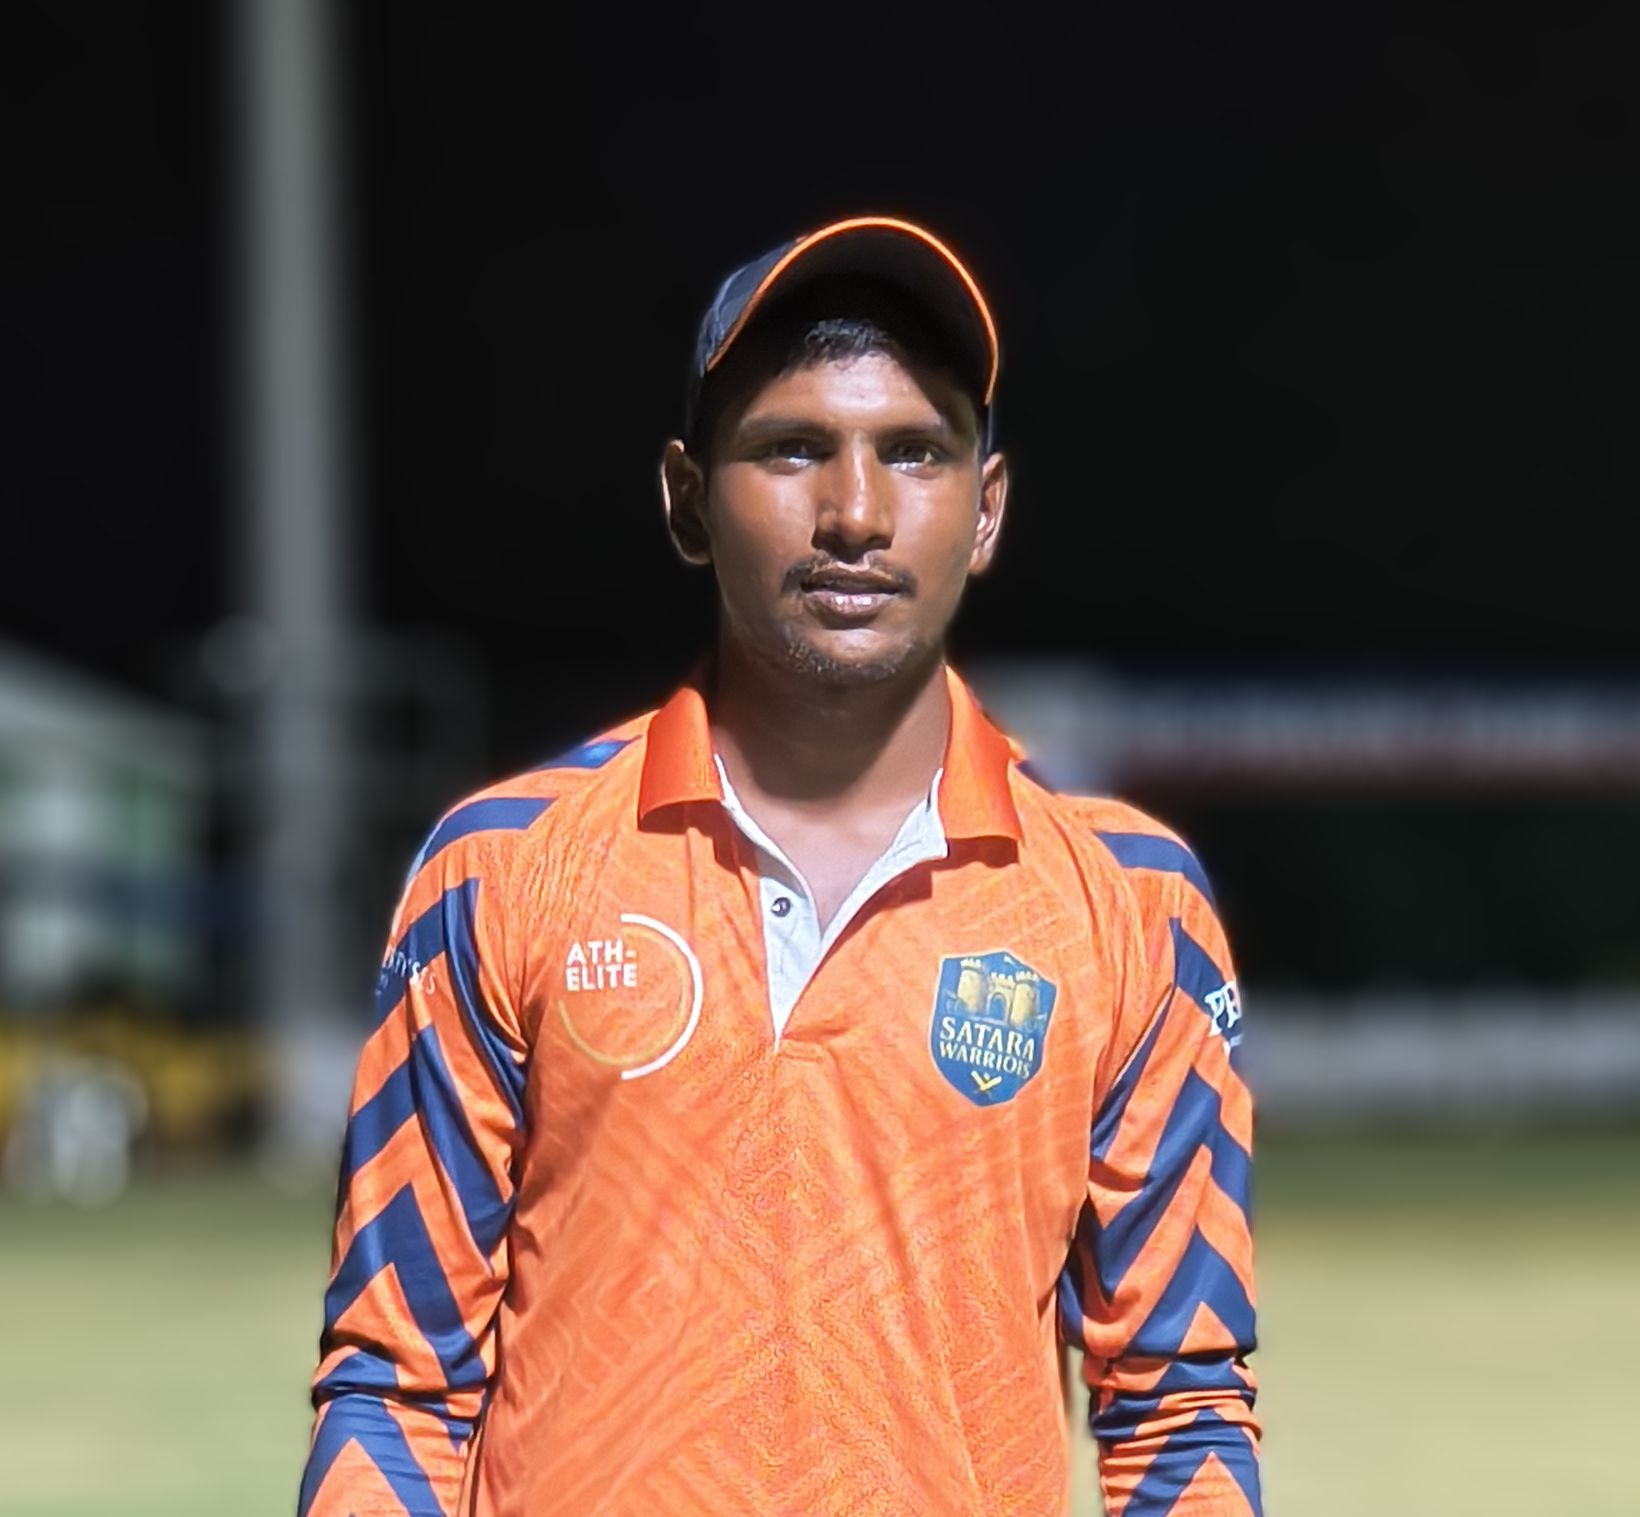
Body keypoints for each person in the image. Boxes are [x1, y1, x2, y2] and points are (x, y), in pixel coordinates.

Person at [297, 215, 1261, 1516]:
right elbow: (397, 1383)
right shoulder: (502, 870)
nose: (856, 513)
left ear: (986, 511)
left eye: (914, 451)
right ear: (688, 501)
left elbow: (1180, 1404)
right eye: (793, 448)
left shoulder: (1132, 900)